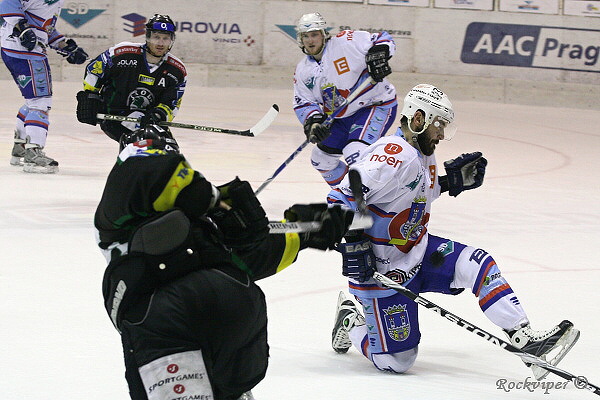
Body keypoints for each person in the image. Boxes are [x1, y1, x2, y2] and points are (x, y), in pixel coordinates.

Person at [327, 84, 580, 380]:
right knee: (397, 361)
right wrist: (355, 242)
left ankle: (526, 341)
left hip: (419, 251)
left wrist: (451, 182)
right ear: (418, 119)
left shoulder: (423, 154)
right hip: (384, 270)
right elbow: (340, 197)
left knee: (479, 264)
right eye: (439, 125)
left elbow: (416, 195)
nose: (441, 134)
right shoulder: (392, 155)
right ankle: (350, 321)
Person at [95, 125, 354, 400]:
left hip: (171, 320)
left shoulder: (159, 218)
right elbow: (146, 167)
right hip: (231, 306)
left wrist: (303, 229)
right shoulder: (131, 209)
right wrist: (216, 201)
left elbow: (244, 256)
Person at [293, 12, 397, 188]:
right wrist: (314, 123)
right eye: (306, 36)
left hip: (374, 105)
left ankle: (378, 195)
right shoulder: (303, 70)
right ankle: (347, 194)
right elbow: (303, 102)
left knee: (355, 153)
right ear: (300, 39)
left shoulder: (346, 41)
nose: (310, 40)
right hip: (340, 117)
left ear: (323, 34)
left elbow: (383, 38)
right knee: (321, 160)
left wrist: (379, 54)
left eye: (314, 34)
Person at [1, 0, 88, 173]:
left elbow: (43, 27)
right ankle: (33, 154)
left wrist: (65, 47)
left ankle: (21, 147)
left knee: (33, 101)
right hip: (25, 52)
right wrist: (22, 28)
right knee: (41, 102)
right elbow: (7, 2)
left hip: (18, 49)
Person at [76, 14, 186, 145]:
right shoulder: (123, 53)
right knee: (138, 145)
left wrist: (158, 115)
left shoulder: (177, 70)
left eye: (165, 38)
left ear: (172, 40)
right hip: (114, 117)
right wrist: (90, 96)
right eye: (156, 37)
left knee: (168, 147)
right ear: (148, 36)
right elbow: (95, 69)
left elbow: (172, 103)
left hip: (147, 122)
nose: (160, 43)